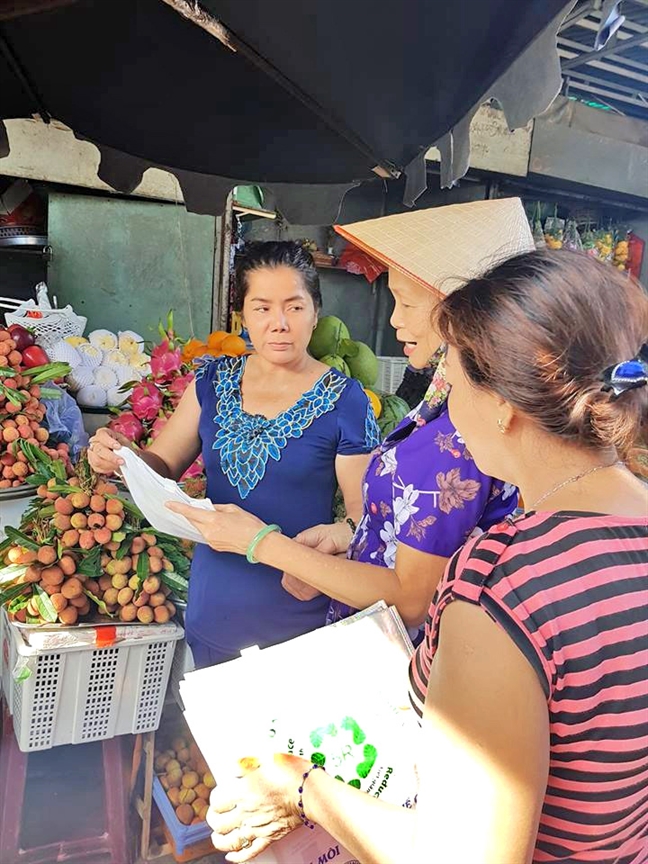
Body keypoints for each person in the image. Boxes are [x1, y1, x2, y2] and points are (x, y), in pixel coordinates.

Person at [202, 249, 648, 864]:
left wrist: (298, 787)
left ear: (502, 401)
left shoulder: (501, 584)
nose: (445, 405)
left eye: (456, 377)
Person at [168, 198, 534, 635]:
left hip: (403, 642)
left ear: (462, 315)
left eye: (407, 302)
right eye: (262, 307)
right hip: (247, 607)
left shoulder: (464, 433)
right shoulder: (445, 411)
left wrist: (262, 543)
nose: (394, 319)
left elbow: (412, 598)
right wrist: (347, 535)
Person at [87, 241, 377, 666]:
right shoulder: (213, 382)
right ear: (242, 315)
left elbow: (364, 520)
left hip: (300, 620)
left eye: (294, 307)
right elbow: (163, 463)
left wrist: (339, 541)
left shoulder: (345, 400)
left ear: (316, 312)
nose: (279, 324)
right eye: (262, 308)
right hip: (214, 608)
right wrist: (124, 459)